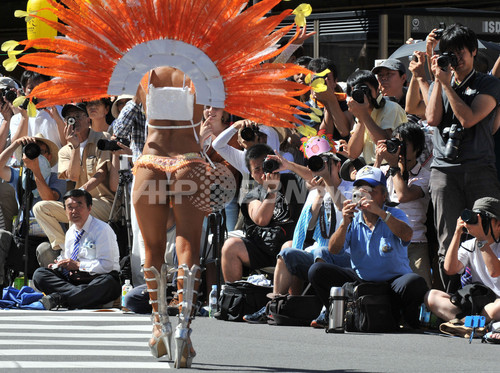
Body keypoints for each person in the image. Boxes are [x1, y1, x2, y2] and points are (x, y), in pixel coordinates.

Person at [425, 24, 500, 292]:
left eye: (460, 53)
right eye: (449, 54)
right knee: (448, 237)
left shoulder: (488, 83)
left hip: (479, 168)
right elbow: (432, 118)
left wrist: (447, 87)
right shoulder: (442, 82)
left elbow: (468, 119)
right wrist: (439, 81)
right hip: (444, 171)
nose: (455, 59)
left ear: (473, 52)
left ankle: (492, 294)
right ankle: (452, 298)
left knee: (487, 230)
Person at [308, 165, 429, 328]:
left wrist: (380, 213)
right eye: (359, 189)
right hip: (361, 281)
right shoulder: (353, 218)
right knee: (317, 271)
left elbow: (407, 235)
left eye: (371, 190)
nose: (364, 194)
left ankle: (405, 321)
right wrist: (344, 223)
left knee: (415, 282)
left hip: (392, 282)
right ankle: (343, 315)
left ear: (384, 195)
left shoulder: (394, 214)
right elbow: (334, 250)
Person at [243, 151, 352, 325]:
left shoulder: (352, 187)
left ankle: (328, 309)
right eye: (319, 165)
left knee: (322, 251)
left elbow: (343, 206)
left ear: (338, 165)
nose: (322, 170)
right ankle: (273, 306)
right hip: (319, 248)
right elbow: (310, 226)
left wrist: (329, 186)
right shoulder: (317, 191)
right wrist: (320, 196)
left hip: (345, 252)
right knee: (287, 253)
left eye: (326, 164)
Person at [33, 103, 117, 266]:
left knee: (75, 206)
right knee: (40, 208)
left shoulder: (102, 138)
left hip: (104, 202)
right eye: (70, 118)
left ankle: (73, 254)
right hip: (80, 205)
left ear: (88, 119)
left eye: (78, 116)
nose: (74, 121)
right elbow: (72, 175)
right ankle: (65, 249)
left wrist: (81, 191)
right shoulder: (66, 150)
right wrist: (75, 147)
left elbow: (101, 174)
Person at [220, 143, 304, 282]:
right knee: (230, 246)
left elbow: (317, 180)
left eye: (266, 164)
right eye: (257, 169)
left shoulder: (293, 181)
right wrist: (272, 192)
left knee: (289, 247)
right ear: (251, 174)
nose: (263, 171)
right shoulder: (252, 195)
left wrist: (289, 165)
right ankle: (234, 297)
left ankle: (290, 302)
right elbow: (261, 219)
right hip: (262, 248)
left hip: (290, 244)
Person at [32, 189, 121, 310]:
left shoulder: (102, 230)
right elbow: (68, 258)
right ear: (65, 210)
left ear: (89, 208)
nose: (74, 211)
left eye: (79, 206)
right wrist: (59, 264)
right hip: (74, 280)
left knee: (109, 283)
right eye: (70, 207)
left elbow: (107, 266)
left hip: (96, 279)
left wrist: (79, 265)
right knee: (40, 274)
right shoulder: (71, 232)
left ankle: (62, 298)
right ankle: (79, 298)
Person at [0, 134, 66, 287]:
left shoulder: (58, 178)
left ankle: (54, 292)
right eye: (31, 151)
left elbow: (48, 199)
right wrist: (15, 144)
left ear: (49, 157)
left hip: (48, 241)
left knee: (44, 250)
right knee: (1, 236)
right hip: (23, 240)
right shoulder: (20, 175)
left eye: (40, 151)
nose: (36, 155)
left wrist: (36, 171)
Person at [374, 122, 432, 288]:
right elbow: (367, 192)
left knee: (423, 291)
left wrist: (393, 166)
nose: (399, 149)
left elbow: (403, 195)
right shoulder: (384, 171)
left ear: (417, 148)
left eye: (404, 145)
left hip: (415, 242)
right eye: (396, 144)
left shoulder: (425, 174)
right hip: (386, 240)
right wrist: (378, 161)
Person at [425, 197, 500, 324]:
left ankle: (464, 323)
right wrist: (457, 233)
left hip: (496, 304)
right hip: (476, 302)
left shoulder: (485, 243)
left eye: (484, 220)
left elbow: (494, 272)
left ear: (498, 225)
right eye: (477, 219)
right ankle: (474, 324)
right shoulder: (470, 244)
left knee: (495, 309)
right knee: (431, 297)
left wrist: (482, 240)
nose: (479, 224)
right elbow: (450, 269)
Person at [345, 70, 408, 165]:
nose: (362, 94)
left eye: (364, 89)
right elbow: (353, 154)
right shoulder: (361, 112)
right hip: (372, 168)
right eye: (357, 91)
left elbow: (385, 145)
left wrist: (364, 115)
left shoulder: (391, 108)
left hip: (392, 167)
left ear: (377, 89)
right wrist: (361, 119)